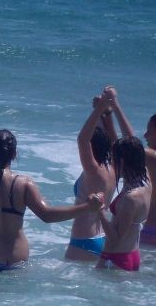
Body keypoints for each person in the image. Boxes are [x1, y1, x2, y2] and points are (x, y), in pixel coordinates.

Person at [0, 129, 103, 273]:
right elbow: (48, 215)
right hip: (15, 265)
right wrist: (87, 207)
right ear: (14, 154)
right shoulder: (24, 184)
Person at [65, 93, 119, 260]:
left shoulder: (94, 170)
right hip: (102, 238)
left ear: (92, 147)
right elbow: (113, 140)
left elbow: (82, 139)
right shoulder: (113, 168)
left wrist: (100, 107)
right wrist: (105, 113)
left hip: (83, 241)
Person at [96, 130, 150, 271]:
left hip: (114, 259)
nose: (111, 163)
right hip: (132, 255)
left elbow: (115, 239)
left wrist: (99, 210)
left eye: (113, 159)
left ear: (122, 161)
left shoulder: (130, 198)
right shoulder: (147, 185)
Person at [142, 112, 156, 247]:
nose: (145, 135)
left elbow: (127, 146)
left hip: (150, 233)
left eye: (149, 131)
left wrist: (113, 110)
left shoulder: (151, 157)